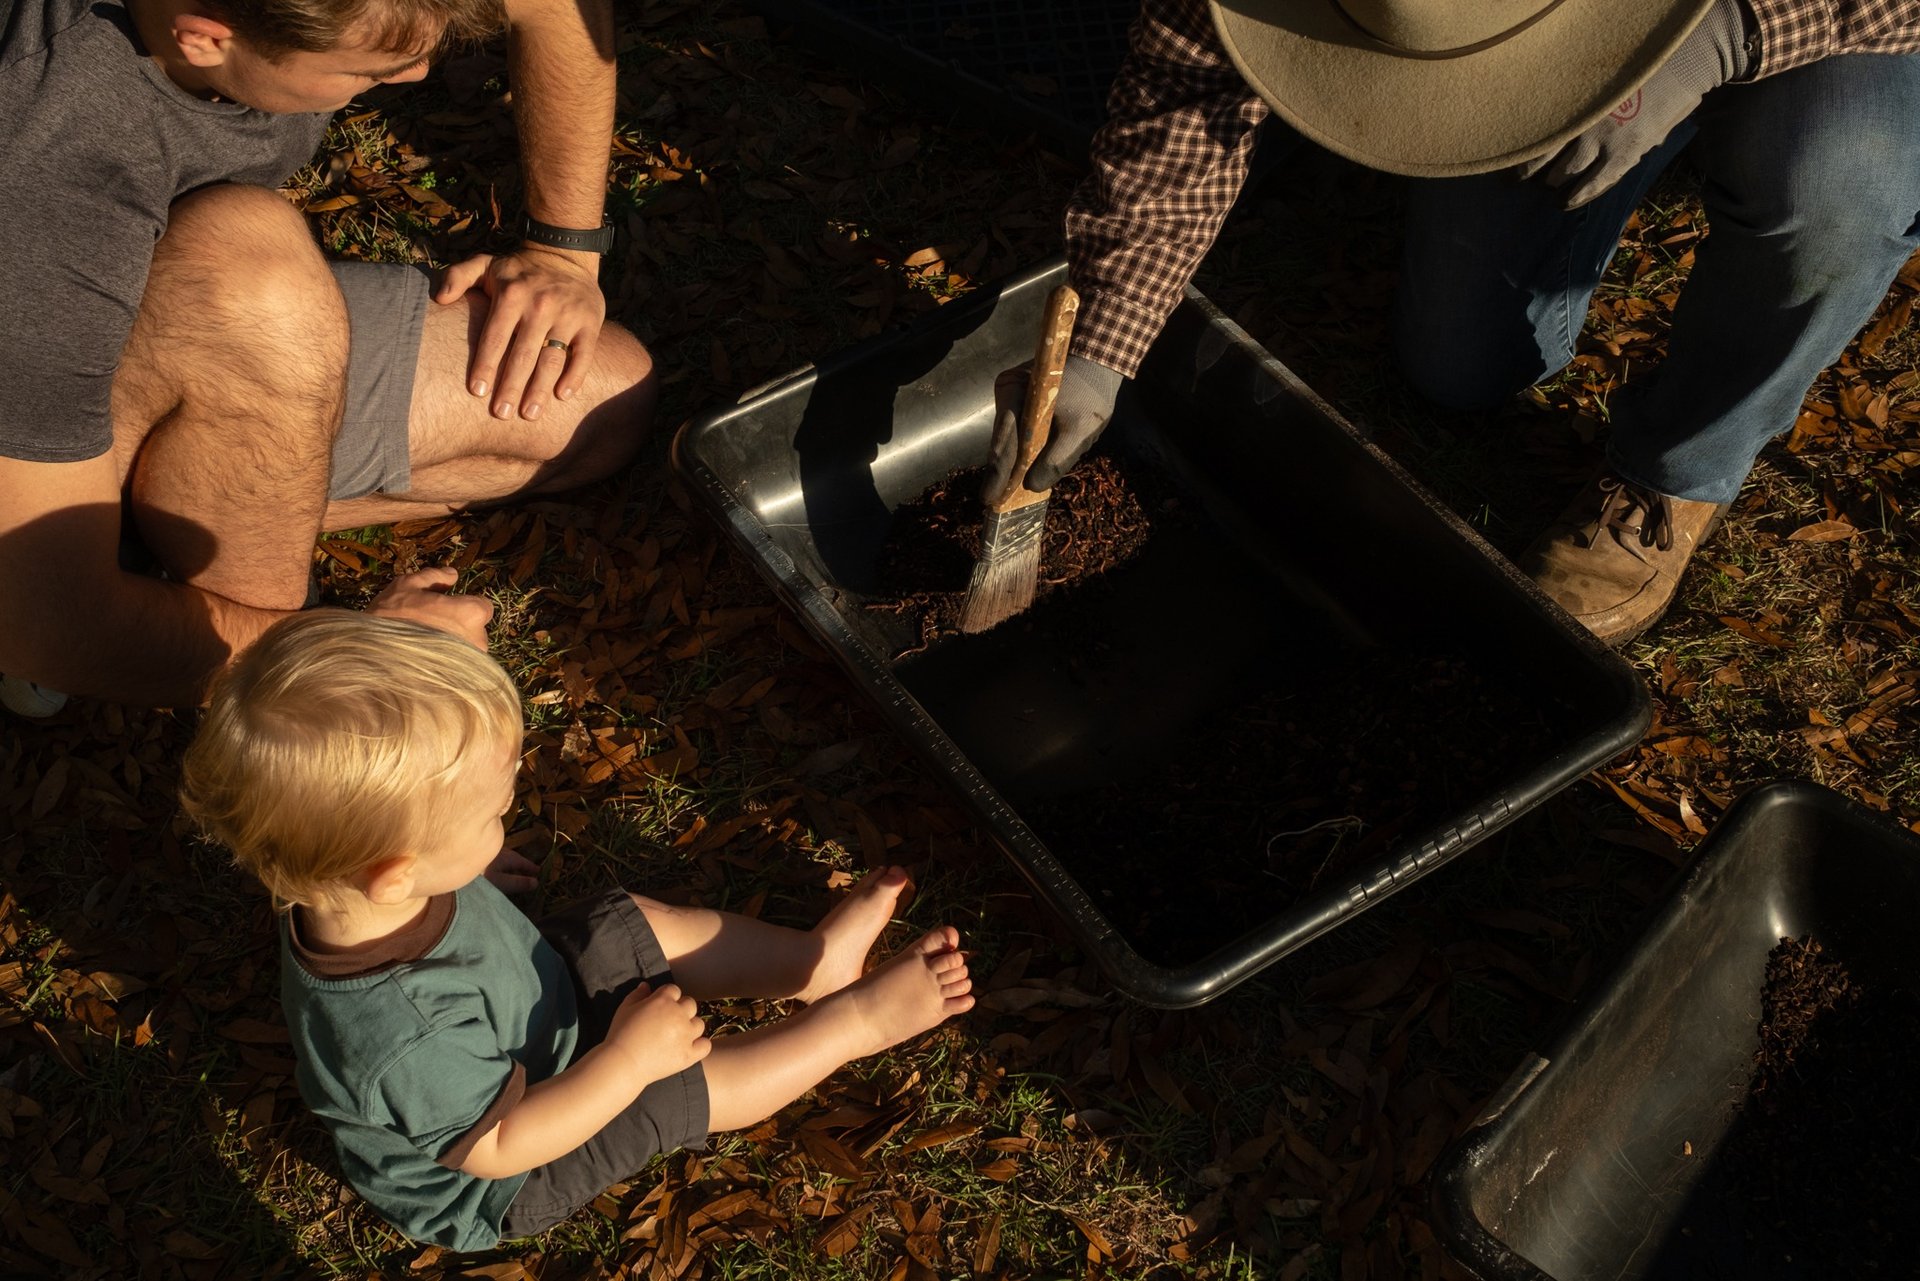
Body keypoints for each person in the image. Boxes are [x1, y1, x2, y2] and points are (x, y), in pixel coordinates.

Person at [987, 0, 1920, 644]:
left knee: (1841, 178)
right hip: (1529, 34)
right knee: (1459, 365)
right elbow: (1188, 84)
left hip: (1814, 28)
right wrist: (1105, 345)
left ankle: (1680, 471)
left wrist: (1715, 36)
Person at [176, 609, 976, 1249]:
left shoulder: (347, 884)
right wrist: (627, 1062)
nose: (507, 815)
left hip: (531, 1008)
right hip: (506, 1173)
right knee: (678, 1088)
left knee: (624, 922)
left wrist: (461, 866)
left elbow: (398, 867)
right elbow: (499, 1145)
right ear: (395, 872)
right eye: (491, 817)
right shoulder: (401, 1036)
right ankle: (858, 1021)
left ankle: (815, 961)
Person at [0, 0, 659, 715]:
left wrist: (563, 248)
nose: (416, 74)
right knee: (249, 267)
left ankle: (134, 552)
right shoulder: (48, 182)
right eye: (365, 68)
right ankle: (248, 695)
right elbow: (48, 630)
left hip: (155, 326)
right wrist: (355, 654)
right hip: (60, 357)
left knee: (594, 397)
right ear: (203, 38)